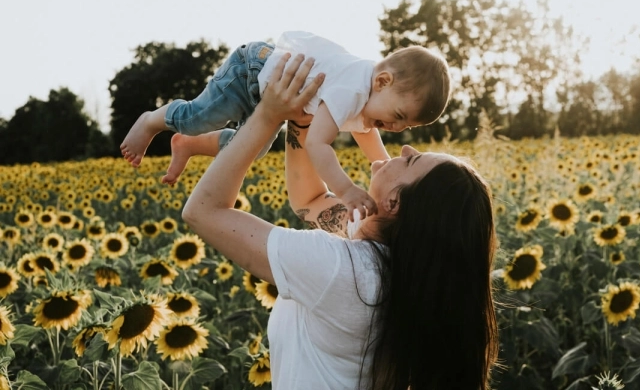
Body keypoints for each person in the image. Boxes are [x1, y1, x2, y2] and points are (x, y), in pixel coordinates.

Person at [182, 54, 498, 389]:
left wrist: (267, 115)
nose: (404, 149)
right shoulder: (389, 266)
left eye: (412, 161)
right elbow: (309, 201)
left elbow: (203, 211)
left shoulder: (342, 271)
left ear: (394, 202)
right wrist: (307, 116)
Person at [121, 31, 451, 220]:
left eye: (406, 124)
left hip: (272, 96)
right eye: (399, 115)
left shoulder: (369, 97)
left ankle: (189, 145)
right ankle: (151, 120)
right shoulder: (351, 87)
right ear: (382, 80)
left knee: (254, 147)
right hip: (251, 71)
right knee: (196, 118)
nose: (397, 128)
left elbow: (369, 138)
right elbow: (317, 144)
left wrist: (386, 166)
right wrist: (347, 190)